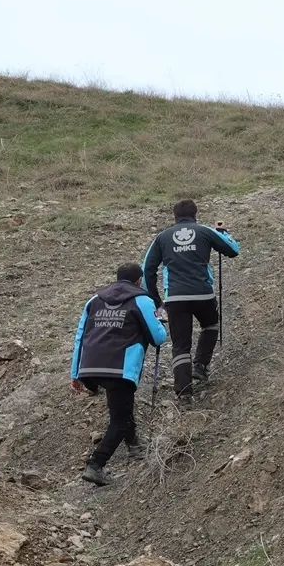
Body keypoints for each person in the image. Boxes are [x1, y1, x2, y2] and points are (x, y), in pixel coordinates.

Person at [70, 263, 169, 486]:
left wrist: (75, 373)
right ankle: (96, 464)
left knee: (120, 407)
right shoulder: (142, 299)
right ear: (139, 281)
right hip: (120, 366)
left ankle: (134, 445)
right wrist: (161, 322)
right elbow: (158, 338)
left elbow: (79, 336)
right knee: (120, 420)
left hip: (92, 366)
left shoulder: (94, 300)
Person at [142, 199, 240, 405]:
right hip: (203, 294)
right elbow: (233, 250)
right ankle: (201, 367)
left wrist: (156, 299)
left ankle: (184, 393)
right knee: (211, 324)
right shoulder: (205, 231)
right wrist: (223, 233)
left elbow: (147, 269)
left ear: (174, 216)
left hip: (175, 298)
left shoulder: (162, 237)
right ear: (195, 214)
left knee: (180, 345)